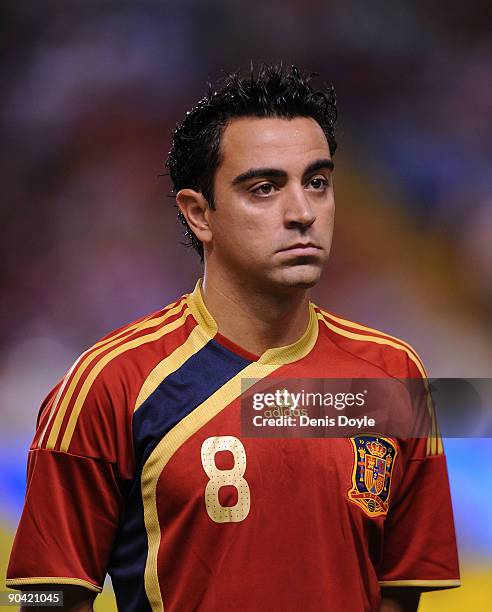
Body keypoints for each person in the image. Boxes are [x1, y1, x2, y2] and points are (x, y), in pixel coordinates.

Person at [7, 64, 459, 612]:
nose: (302, 213)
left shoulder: (391, 375)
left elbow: (399, 590)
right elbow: (44, 594)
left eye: (317, 182)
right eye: (264, 188)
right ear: (199, 214)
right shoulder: (111, 382)